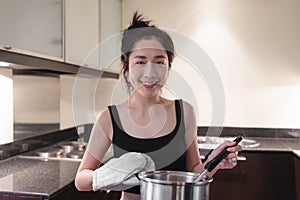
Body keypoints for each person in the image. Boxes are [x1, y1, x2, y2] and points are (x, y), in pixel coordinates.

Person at [75, 12, 242, 200]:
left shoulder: (184, 112)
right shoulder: (110, 117)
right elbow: (81, 180)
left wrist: (213, 162)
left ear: (168, 66)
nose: (150, 72)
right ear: (126, 66)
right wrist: (109, 175)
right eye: (140, 61)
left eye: (159, 61)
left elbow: (194, 173)